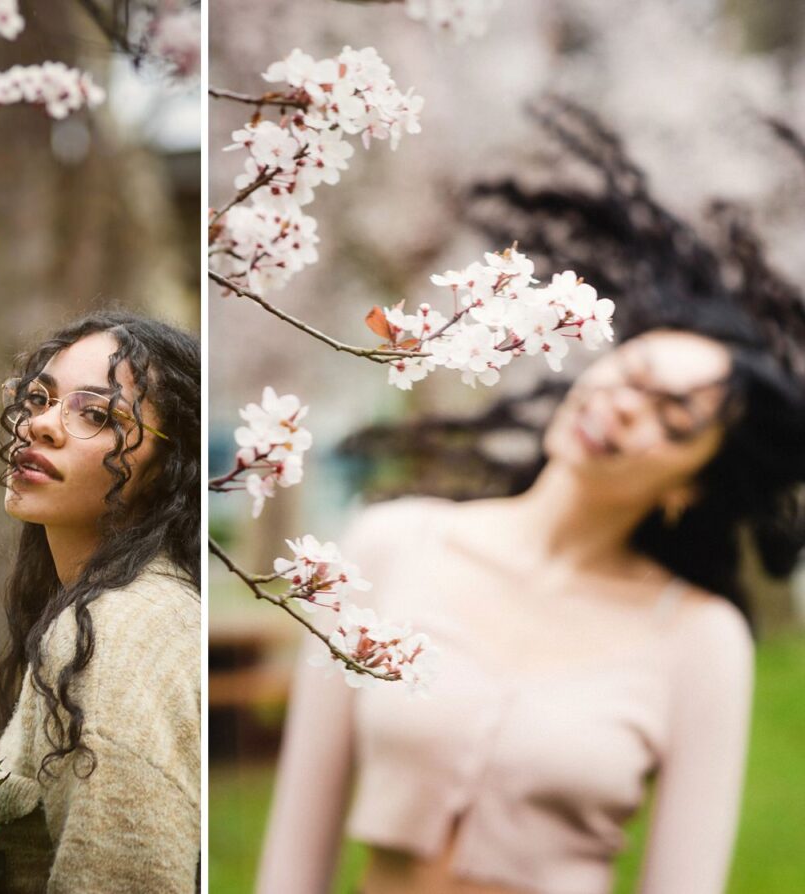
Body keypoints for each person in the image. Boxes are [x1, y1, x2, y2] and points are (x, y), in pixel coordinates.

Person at [256, 321, 805, 894]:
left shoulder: (702, 637)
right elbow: (293, 852)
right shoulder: (388, 545)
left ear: (690, 488)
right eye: (632, 373)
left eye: (674, 419)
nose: (624, 407)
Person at [0, 311, 200, 894]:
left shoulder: (113, 633)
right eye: (38, 398)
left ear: (169, 469)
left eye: (98, 415)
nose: (42, 426)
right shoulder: (108, 609)